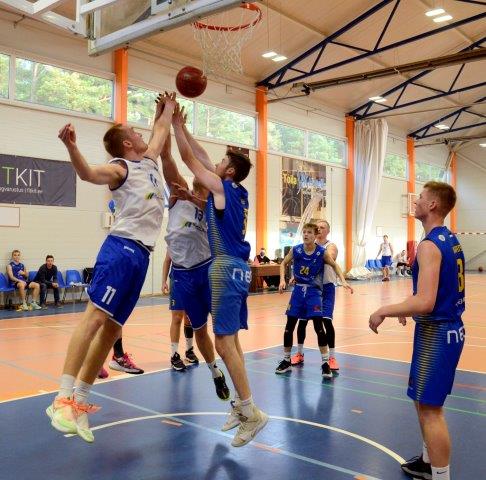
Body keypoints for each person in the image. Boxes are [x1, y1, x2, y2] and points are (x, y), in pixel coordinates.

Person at [46, 92, 176, 443]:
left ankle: (79, 402)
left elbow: (161, 129)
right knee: (94, 319)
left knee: (112, 330)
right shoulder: (121, 167)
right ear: (127, 143)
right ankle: (61, 397)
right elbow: (88, 173)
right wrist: (72, 147)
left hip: (142, 256)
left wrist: (166, 108)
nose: (142, 132)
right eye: (135, 131)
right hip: (121, 249)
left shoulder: (149, 160)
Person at [173, 104, 267, 447]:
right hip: (237, 268)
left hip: (225, 266)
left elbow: (191, 159)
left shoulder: (223, 187)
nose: (214, 162)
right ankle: (242, 406)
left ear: (228, 171)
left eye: (221, 161)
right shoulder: (234, 194)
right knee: (233, 342)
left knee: (223, 343)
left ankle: (251, 413)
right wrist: (185, 127)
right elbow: (202, 160)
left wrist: (176, 125)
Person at [369, 182, 464, 480]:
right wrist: (407, 308)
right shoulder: (449, 239)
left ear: (433, 204)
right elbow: (432, 292)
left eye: (421, 197)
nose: (416, 201)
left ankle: (441, 475)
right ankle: (427, 461)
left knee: (431, 410)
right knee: (421, 400)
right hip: (440, 329)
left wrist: (384, 310)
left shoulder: (429, 245)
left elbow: (426, 301)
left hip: (439, 333)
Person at [160, 117, 229, 401]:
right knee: (198, 329)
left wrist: (181, 128)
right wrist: (163, 120)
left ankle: (234, 372)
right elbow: (166, 156)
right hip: (183, 274)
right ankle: (215, 372)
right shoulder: (178, 192)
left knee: (223, 330)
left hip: (207, 270)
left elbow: (197, 158)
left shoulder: (215, 200)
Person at [275, 223, 353, 377]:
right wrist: (282, 280)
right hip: (298, 292)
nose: (306, 234)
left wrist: (343, 280)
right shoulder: (296, 249)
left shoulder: (322, 252)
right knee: (289, 326)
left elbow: (335, 265)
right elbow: (283, 263)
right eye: (304, 232)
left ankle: (325, 363)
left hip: (314, 292)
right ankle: (286, 360)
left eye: (309, 232)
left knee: (319, 327)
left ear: (315, 235)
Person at [292, 220, 340, 371]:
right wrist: (297, 274)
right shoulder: (307, 247)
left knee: (326, 321)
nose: (319, 229)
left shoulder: (330, 246)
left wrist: (312, 256)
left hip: (326, 288)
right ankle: (299, 353)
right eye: (317, 227)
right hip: (310, 288)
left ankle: (331, 357)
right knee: (302, 322)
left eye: (323, 227)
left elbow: (330, 257)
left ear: (327, 231)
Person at [162, 252, 199, 371]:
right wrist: (164, 281)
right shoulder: (174, 240)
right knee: (177, 317)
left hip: (192, 278)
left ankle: (189, 350)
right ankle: (174, 355)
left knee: (189, 317)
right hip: (177, 278)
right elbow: (167, 260)